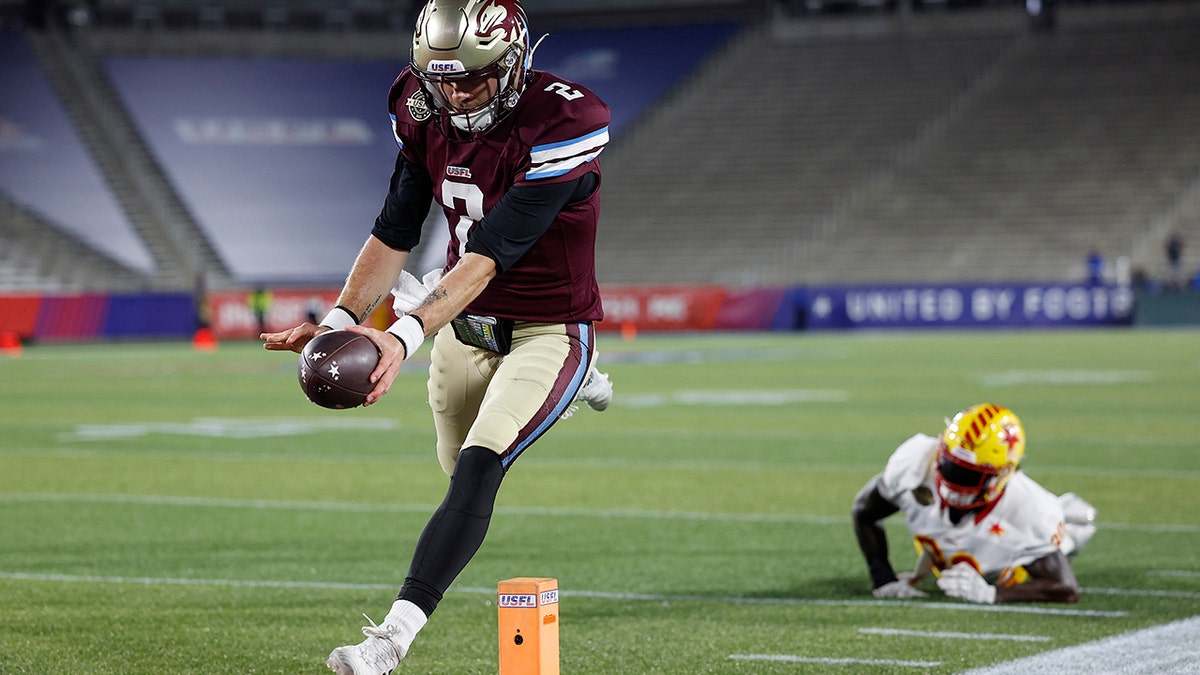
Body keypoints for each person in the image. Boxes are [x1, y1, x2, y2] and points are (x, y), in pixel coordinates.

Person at [260, 1, 612, 672]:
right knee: (456, 475)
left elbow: (488, 254)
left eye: (473, 78)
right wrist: (339, 322)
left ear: (513, 65)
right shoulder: (420, 109)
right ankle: (568, 392)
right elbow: (397, 226)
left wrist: (400, 333)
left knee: (482, 467)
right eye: (443, 79)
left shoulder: (566, 119)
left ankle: (390, 639)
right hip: (463, 327)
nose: (455, 93)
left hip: (547, 327)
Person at [851, 403, 1096, 604]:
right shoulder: (916, 462)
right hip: (944, 552)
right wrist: (883, 578)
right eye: (949, 465)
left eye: (969, 475)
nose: (954, 480)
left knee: (1054, 534)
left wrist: (992, 594)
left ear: (1003, 474)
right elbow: (863, 511)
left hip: (1005, 567)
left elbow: (1065, 588)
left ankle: (1070, 529)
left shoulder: (1028, 510)